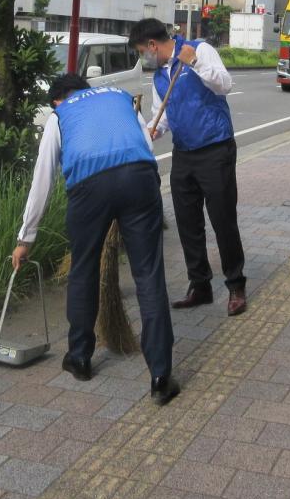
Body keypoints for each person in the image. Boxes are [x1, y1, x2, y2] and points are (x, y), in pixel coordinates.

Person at [11, 74, 179, 406]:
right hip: (140, 178)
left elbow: (42, 180)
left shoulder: (59, 116)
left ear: (58, 99)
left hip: (89, 188)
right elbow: (145, 145)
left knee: (84, 270)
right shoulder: (119, 98)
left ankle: (80, 358)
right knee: (148, 275)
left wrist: (25, 237)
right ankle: (160, 375)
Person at [128, 18, 247, 318]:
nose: (144, 56)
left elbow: (225, 85)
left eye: (143, 50)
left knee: (223, 219)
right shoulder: (159, 77)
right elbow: (162, 115)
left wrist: (193, 62)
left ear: (153, 45)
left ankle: (235, 285)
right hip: (184, 153)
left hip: (215, 148)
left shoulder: (199, 50)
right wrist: (154, 131)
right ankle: (200, 285)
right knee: (187, 222)